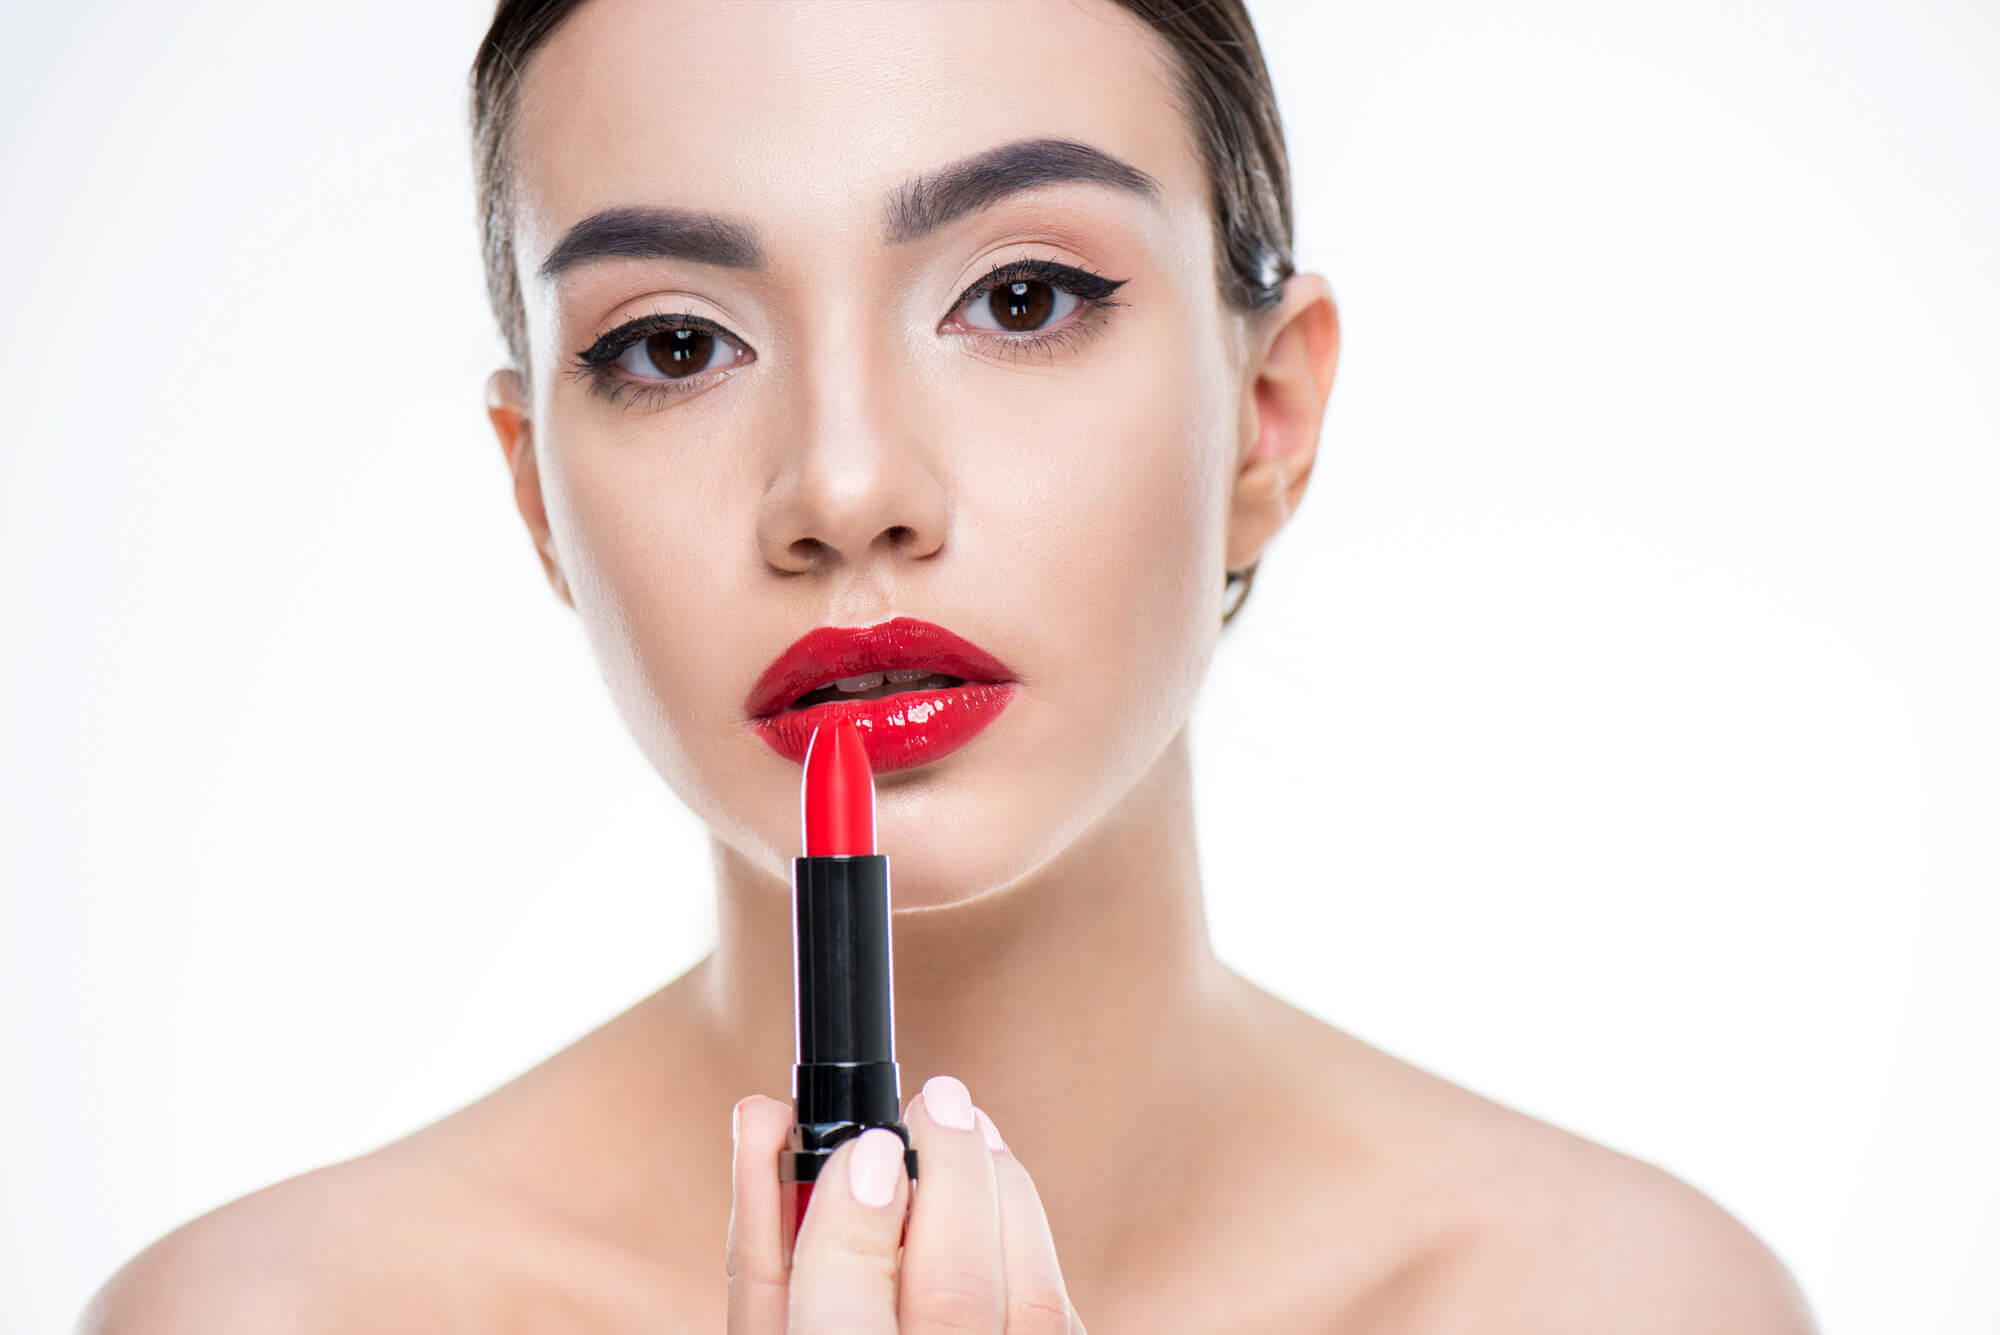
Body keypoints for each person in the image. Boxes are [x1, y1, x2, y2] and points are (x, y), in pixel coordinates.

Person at [81, 1, 1818, 1330]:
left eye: (1025, 299)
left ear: (1267, 420)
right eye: (674, 343)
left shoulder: (1628, 1301)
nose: (845, 488)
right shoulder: (272, 1317)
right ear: (540, 496)